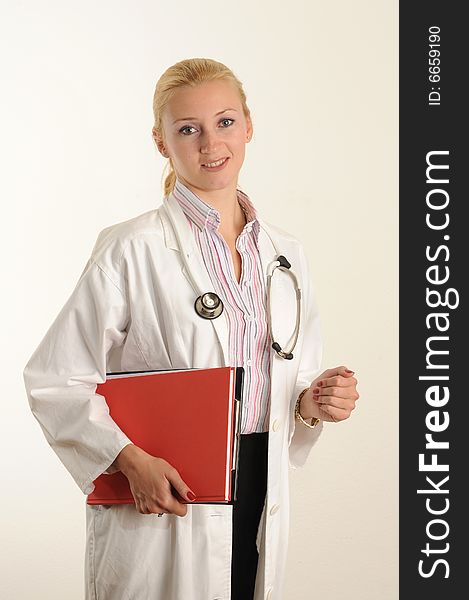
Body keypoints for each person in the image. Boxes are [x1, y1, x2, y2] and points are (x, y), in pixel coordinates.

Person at [23, 57, 359, 600]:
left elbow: (294, 377)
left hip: (259, 485)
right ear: (161, 142)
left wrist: (312, 402)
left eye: (225, 122)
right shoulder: (130, 248)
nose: (210, 143)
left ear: (249, 126)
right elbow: (54, 379)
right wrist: (127, 461)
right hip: (166, 494)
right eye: (188, 129)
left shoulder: (285, 255)